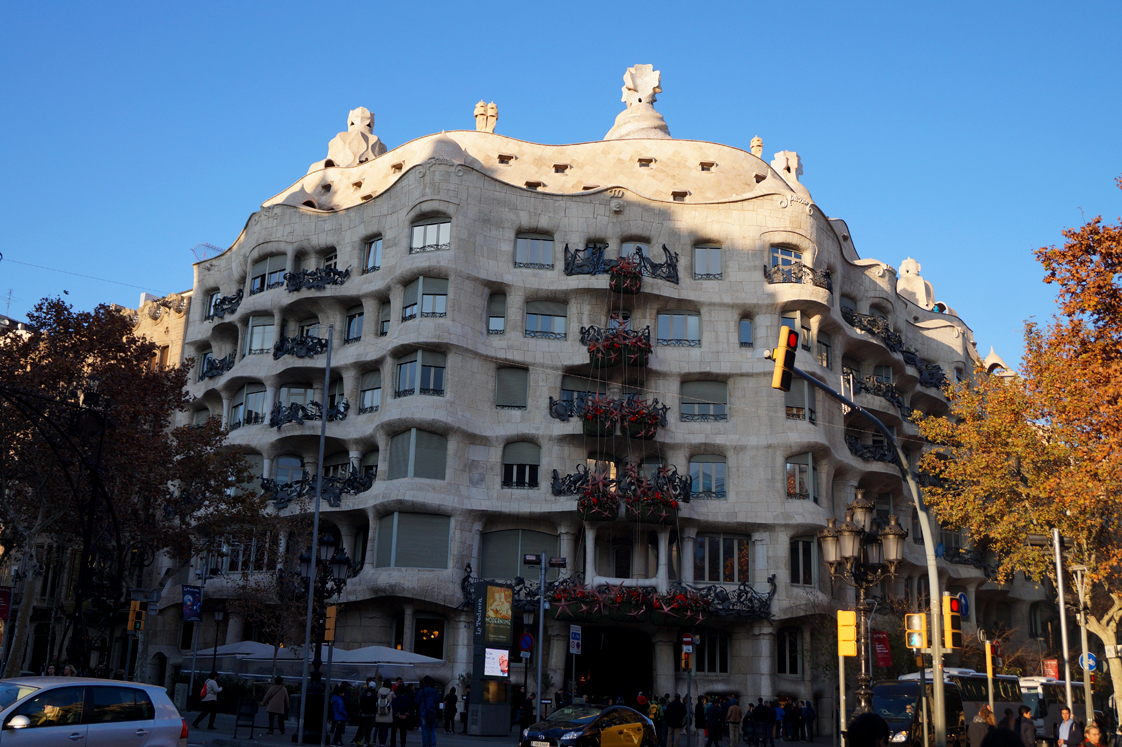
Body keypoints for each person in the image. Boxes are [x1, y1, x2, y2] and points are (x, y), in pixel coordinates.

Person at [416, 676, 441, 747]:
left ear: (424, 682)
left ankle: (425, 744)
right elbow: (437, 700)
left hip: (423, 712)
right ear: (431, 682)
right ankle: (433, 744)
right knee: (432, 729)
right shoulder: (435, 691)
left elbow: (417, 701)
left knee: (424, 729)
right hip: (432, 712)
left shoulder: (421, 691)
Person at [355, 677, 379, 745]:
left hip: (364, 712)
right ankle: (367, 740)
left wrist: (362, 709)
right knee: (369, 728)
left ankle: (358, 739)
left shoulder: (364, 694)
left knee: (361, 727)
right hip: (371, 713)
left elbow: (361, 703)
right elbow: (376, 704)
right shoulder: (375, 696)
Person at [374, 678, 394, 746]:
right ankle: (383, 743)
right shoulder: (391, 692)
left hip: (380, 711)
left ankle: (380, 742)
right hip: (387, 711)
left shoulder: (379, 691)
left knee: (380, 729)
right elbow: (395, 698)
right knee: (385, 729)